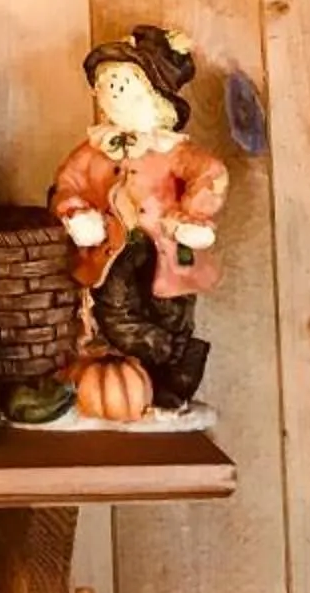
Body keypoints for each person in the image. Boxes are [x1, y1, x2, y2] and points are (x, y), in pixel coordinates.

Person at [50, 25, 228, 410]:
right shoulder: (96, 150)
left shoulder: (172, 151)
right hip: (116, 248)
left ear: (156, 96)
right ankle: (171, 359)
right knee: (116, 309)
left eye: (124, 83)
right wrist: (77, 213)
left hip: (167, 245)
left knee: (171, 308)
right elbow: (68, 183)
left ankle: (168, 375)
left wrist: (193, 214)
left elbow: (210, 173)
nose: (112, 92)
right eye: (107, 84)